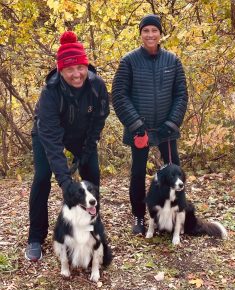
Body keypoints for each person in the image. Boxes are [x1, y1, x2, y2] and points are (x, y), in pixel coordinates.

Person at [25, 31, 110, 261]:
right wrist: (65, 182)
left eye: (80, 67)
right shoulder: (50, 93)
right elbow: (52, 142)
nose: (76, 74)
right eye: (70, 70)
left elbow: (99, 118)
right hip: (47, 134)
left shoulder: (96, 86)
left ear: (86, 65)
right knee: (43, 177)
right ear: (61, 70)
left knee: (91, 173)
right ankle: (35, 237)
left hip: (82, 135)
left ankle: (93, 225)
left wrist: (87, 149)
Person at [112, 14, 188, 236]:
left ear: (160, 33)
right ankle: (138, 216)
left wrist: (172, 123)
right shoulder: (129, 61)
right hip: (140, 130)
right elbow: (119, 95)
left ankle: (174, 214)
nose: (150, 35)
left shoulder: (173, 60)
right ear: (140, 34)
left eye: (154, 30)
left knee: (176, 173)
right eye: (146, 31)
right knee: (137, 173)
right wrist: (136, 126)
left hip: (166, 130)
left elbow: (181, 94)